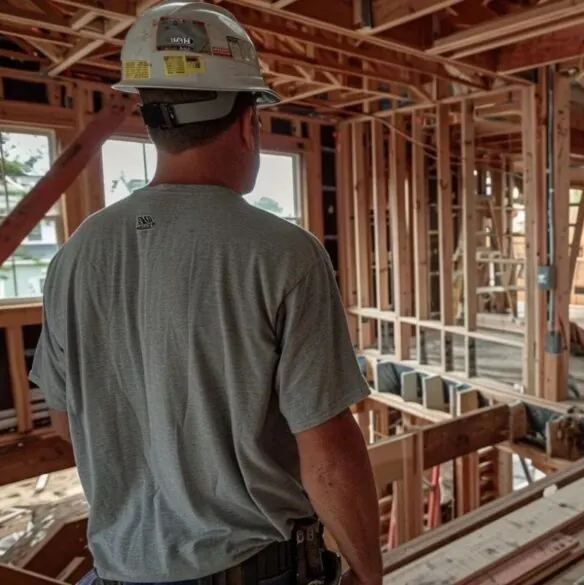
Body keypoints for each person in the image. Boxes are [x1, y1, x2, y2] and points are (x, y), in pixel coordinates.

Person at [28, 2, 383, 584]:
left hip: (121, 571)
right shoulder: (283, 253)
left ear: (152, 121)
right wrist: (369, 573)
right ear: (248, 122)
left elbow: (69, 424)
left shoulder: (76, 253)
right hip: (253, 569)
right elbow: (327, 452)